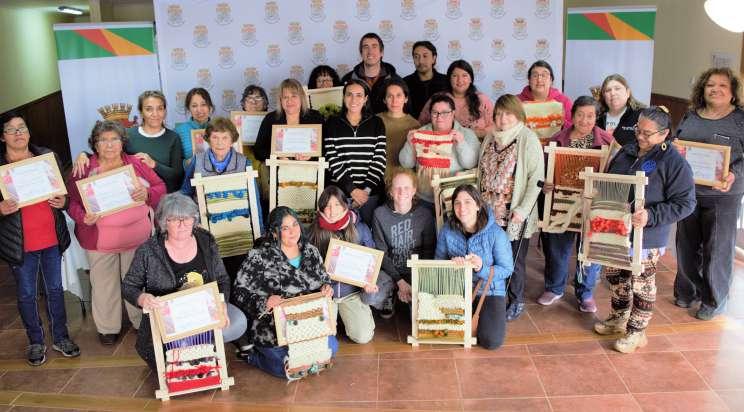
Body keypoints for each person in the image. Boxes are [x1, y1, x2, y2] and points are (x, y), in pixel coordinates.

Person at [595, 106, 695, 352]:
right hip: (616, 229)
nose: (640, 136)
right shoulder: (626, 151)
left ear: (664, 133)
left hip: (647, 235)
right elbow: (610, 181)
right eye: (638, 130)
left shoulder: (674, 162)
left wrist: (651, 215)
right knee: (616, 278)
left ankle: (636, 332)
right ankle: (618, 318)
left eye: (647, 134)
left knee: (641, 284)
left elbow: (686, 203)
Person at [122, 193, 248, 370]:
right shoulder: (148, 251)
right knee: (177, 363)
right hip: (169, 319)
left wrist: (222, 304)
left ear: (194, 219)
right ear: (164, 222)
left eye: (187, 218)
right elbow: (129, 286)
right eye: (175, 219)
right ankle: (193, 359)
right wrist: (143, 298)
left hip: (204, 311)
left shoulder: (206, 241)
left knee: (238, 322)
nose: (182, 225)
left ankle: (202, 356)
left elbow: (222, 279)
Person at [68, 120, 166, 345]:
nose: (110, 144)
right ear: (95, 144)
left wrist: (147, 194)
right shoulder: (84, 169)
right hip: (101, 242)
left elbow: (160, 187)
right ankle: (107, 328)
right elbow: (71, 202)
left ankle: (141, 322)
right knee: (104, 285)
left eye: (114, 139)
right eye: (103, 140)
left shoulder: (136, 164)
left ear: (123, 142)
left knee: (137, 282)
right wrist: (82, 217)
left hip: (137, 239)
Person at [0, 112, 80, 366]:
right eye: (11, 129)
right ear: (2, 137)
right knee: (26, 294)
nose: (18, 133)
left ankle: (61, 337)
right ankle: (35, 341)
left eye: (22, 127)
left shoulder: (47, 157)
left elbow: (65, 195)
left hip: (51, 238)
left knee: (55, 290)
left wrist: (63, 201)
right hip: (19, 244)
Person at [232, 206, 337, 379]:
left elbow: (324, 279)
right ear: (275, 232)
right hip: (273, 328)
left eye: (295, 224)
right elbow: (239, 291)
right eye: (285, 228)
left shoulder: (311, 251)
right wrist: (264, 302)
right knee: (288, 367)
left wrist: (326, 288)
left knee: (331, 348)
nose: (293, 231)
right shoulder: (259, 256)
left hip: (308, 322)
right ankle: (253, 357)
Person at [674, 67, 744, 320]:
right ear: (702, 89)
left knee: (718, 249)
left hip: (724, 195)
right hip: (688, 191)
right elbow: (677, 144)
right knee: (686, 245)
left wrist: (734, 173)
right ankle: (687, 291)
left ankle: (714, 300)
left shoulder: (740, 119)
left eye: (723, 85)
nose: (715, 89)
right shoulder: (691, 115)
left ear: (732, 92)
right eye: (710, 85)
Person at [538, 96, 614, 313]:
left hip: (593, 203)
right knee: (557, 247)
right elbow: (543, 171)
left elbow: (614, 173)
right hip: (561, 201)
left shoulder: (608, 141)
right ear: (572, 116)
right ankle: (554, 287)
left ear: (597, 117)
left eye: (590, 116)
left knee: (590, 249)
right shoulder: (557, 140)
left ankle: (586, 293)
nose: (585, 120)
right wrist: (545, 184)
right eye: (580, 115)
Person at [478, 94, 544, 322]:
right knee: (491, 257)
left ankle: (515, 301)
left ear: (518, 115)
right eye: (498, 113)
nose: (502, 118)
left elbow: (537, 179)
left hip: (514, 213)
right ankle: (493, 298)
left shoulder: (528, 139)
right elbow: (481, 171)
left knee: (513, 260)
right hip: (489, 211)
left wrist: (523, 210)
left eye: (508, 113)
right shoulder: (490, 137)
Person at [307, 186, 394, 343]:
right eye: (327, 206)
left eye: (337, 204)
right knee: (320, 339)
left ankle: (349, 317)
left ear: (345, 206)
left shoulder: (359, 228)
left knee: (363, 337)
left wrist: (368, 284)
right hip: (327, 293)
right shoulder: (314, 231)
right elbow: (308, 266)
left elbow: (371, 260)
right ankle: (335, 319)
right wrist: (321, 286)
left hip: (352, 293)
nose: (332, 210)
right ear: (321, 208)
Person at [180, 117, 263, 280]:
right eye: (215, 137)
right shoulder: (197, 160)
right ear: (208, 139)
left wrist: (259, 231)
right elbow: (185, 193)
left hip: (239, 230)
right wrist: (193, 222)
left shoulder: (244, 162)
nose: (220, 142)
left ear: (232, 139)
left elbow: (255, 199)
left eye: (225, 137)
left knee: (240, 274)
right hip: (206, 230)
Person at [435, 185, 513, 349]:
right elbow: (438, 262)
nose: (462, 208)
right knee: (446, 334)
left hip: (489, 291)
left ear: (478, 205)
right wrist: (451, 264)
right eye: (457, 203)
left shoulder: (496, 233)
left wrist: (481, 267)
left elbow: (507, 269)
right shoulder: (447, 230)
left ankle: (482, 320)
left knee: (491, 342)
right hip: (457, 289)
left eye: (468, 202)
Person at [73, 91, 184, 193]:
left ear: (165, 111)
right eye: (149, 109)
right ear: (141, 112)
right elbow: (105, 154)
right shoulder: (128, 134)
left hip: (166, 195)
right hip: (131, 194)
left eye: (160, 108)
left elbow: (178, 176)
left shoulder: (173, 137)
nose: (155, 114)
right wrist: (84, 154)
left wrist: (154, 164)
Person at [400, 92, 480, 206]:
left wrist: (461, 143)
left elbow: (471, 164)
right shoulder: (420, 132)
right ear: (430, 114)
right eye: (435, 113)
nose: (439, 117)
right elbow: (406, 164)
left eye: (445, 113)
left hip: (453, 199)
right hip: (423, 197)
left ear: (453, 113)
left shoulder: (467, 134)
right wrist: (409, 144)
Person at [324, 79, 387, 224]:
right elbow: (332, 159)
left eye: (359, 95)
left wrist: (365, 192)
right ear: (343, 97)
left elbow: (379, 159)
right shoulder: (332, 123)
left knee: (367, 233)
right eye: (349, 95)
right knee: (341, 233)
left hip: (370, 195)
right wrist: (352, 190)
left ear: (365, 99)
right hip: (340, 195)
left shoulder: (377, 123)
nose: (354, 99)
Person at [372, 168, 436, 305]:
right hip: (390, 272)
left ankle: (406, 298)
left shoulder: (425, 215)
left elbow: (429, 251)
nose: (402, 192)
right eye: (397, 188)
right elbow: (381, 253)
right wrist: (399, 281)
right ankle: (390, 295)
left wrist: (418, 279)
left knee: (420, 306)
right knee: (371, 297)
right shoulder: (380, 214)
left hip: (416, 271)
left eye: (406, 187)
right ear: (390, 191)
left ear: (414, 190)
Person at [418, 60, 494, 140]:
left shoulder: (482, 100)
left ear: (471, 79)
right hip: (442, 145)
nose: (460, 80)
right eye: (455, 76)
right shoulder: (437, 99)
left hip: (477, 145)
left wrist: (476, 133)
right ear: (449, 79)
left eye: (464, 76)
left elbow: (495, 126)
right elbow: (421, 124)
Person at [341, 32, 402, 114]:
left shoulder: (396, 80)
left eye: (374, 46)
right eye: (366, 47)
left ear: (382, 52)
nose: (370, 51)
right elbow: (342, 109)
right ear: (361, 53)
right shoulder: (348, 79)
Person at [377, 78, 420, 182]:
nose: (394, 101)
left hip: (403, 183)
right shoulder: (375, 121)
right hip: (378, 180)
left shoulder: (415, 125)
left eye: (399, 95)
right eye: (390, 96)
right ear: (384, 100)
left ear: (406, 98)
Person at [516, 60, 573, 127]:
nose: (539, 80)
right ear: (529, 80)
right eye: (535, 76)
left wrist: (562, 122)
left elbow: (574, 129)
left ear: (551, 80)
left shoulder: (564, 101)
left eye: (544, 75)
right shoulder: (516, 101)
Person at [403, 41, 449, 118]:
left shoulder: (446, 81)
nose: (420, 61)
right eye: (416, 57)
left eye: (425, 56)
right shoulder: (404, 83)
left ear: (434, 58)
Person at [597, 74, 645, 146]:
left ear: (628, 93)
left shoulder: (641, 115)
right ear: (604, 96)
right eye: (608, 90)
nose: (613, 93)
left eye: (617, 88)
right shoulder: (597, 117)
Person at [174, 87, 213, 162]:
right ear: (189, 108)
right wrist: (188, 163)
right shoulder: (179, 131)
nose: (199, 110)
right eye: (194, 106)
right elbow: (176, 164)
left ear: (210, 107)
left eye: (203, 104)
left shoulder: (220, 128)